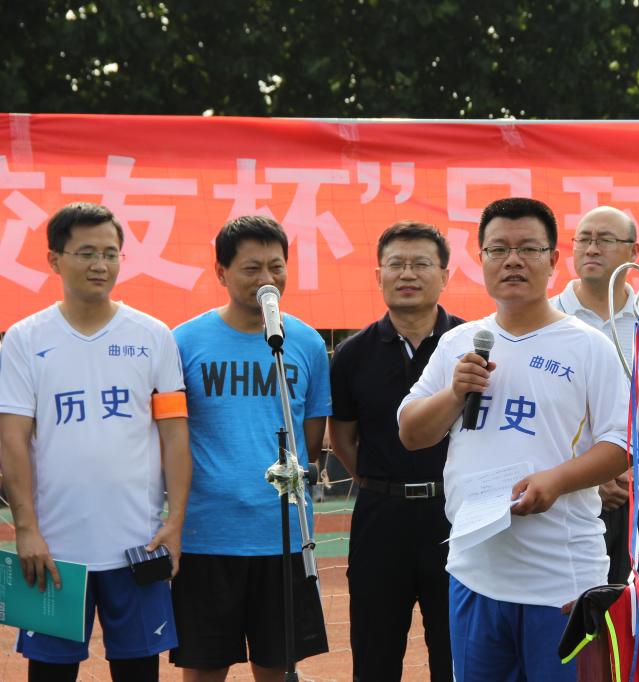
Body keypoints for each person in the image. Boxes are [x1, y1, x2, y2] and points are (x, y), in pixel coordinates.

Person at [398, 197, 629, 681]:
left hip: (561, 579)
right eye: (498, 249)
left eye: (528, 249)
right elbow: (412, 432)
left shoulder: (589, 346)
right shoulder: (459, 343)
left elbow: (621, 444)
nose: (513, 261)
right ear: (480, 258)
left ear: (553, 259)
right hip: (475, 573)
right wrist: (455, 393)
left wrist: (556, 481)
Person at [0, 202, 191, 682]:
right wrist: (26, 528)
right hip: (55, 552)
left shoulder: (153, 336)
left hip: (138, 546)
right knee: (50, 674)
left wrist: (174, 523)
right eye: (86, 253)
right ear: (54, 259)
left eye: (110, 253)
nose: (100, 265)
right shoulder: (24, 340)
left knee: (138, 671)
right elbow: (12, 438)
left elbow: (174, 435)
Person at [170, 215, 330, 681]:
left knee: (277, 668)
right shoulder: (184, 342)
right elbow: (170, 435)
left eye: (276, 267)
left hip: (282, 534)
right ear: (221, 272)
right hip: (206, 535)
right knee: (204, 667)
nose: (267, 279)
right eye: (251, 268)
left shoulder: (306, 343)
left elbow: (312, 437)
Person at [330, 221, 464, 681]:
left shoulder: (469, 343)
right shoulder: (352, 354)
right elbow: (342, 438)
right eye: (396, 264)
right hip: (380, 519)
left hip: (456, 515)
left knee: (456, 653)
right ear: (379, 275)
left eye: (421, 264)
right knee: (375, 652)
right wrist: (381, 481)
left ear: (444, 275)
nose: (408, 274)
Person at [551, 205, 639, 586]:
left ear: (634, 252)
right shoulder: (548, 319)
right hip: (565, 491)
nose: (591, 249)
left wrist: (633, 474)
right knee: (571, 606)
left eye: (605, 240)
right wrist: (590, 477)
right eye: (583, 240)